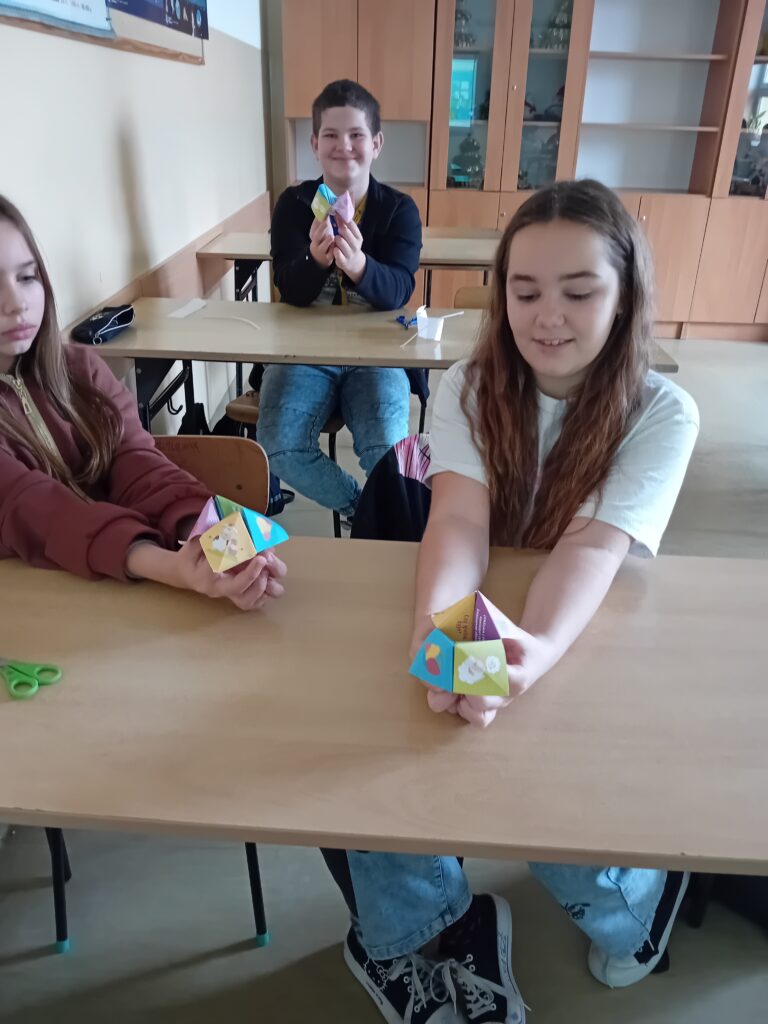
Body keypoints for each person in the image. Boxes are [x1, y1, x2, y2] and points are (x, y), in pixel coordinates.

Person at [324, 179, 700, 1024]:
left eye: (579, 292)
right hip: (491, 594)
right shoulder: (468, 383)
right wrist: (434, 627)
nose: (547, 317)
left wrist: (536, 654)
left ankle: (638, 912)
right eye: (525, 292)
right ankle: (433, 925)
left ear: (625, 295)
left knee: (559, 822)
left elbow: (590, 549)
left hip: (588, 620)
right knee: (395, 763)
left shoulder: (662, 413)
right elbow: (459, 520)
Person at [0, 194, 285, 610]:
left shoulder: (79, 368)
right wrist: (171, 567)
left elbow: (137, 463)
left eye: (27, 277)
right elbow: (44, 513)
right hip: (38, 611)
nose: (17, 303)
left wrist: (212, 535)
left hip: (123, 589)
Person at [257, 79, 424, 520]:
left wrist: (361, 267)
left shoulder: (399, 209)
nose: (343, 146)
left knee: (389, 451)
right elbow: (287, 287)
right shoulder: (295, 204)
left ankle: (398, 518)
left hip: (378, 352)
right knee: (278, 445)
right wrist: (314, 261)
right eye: (330, 134)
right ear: (314, 143)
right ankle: (361, 510)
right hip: (304, 350)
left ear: (376, 143)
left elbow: (400, 289)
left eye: (356, 135)